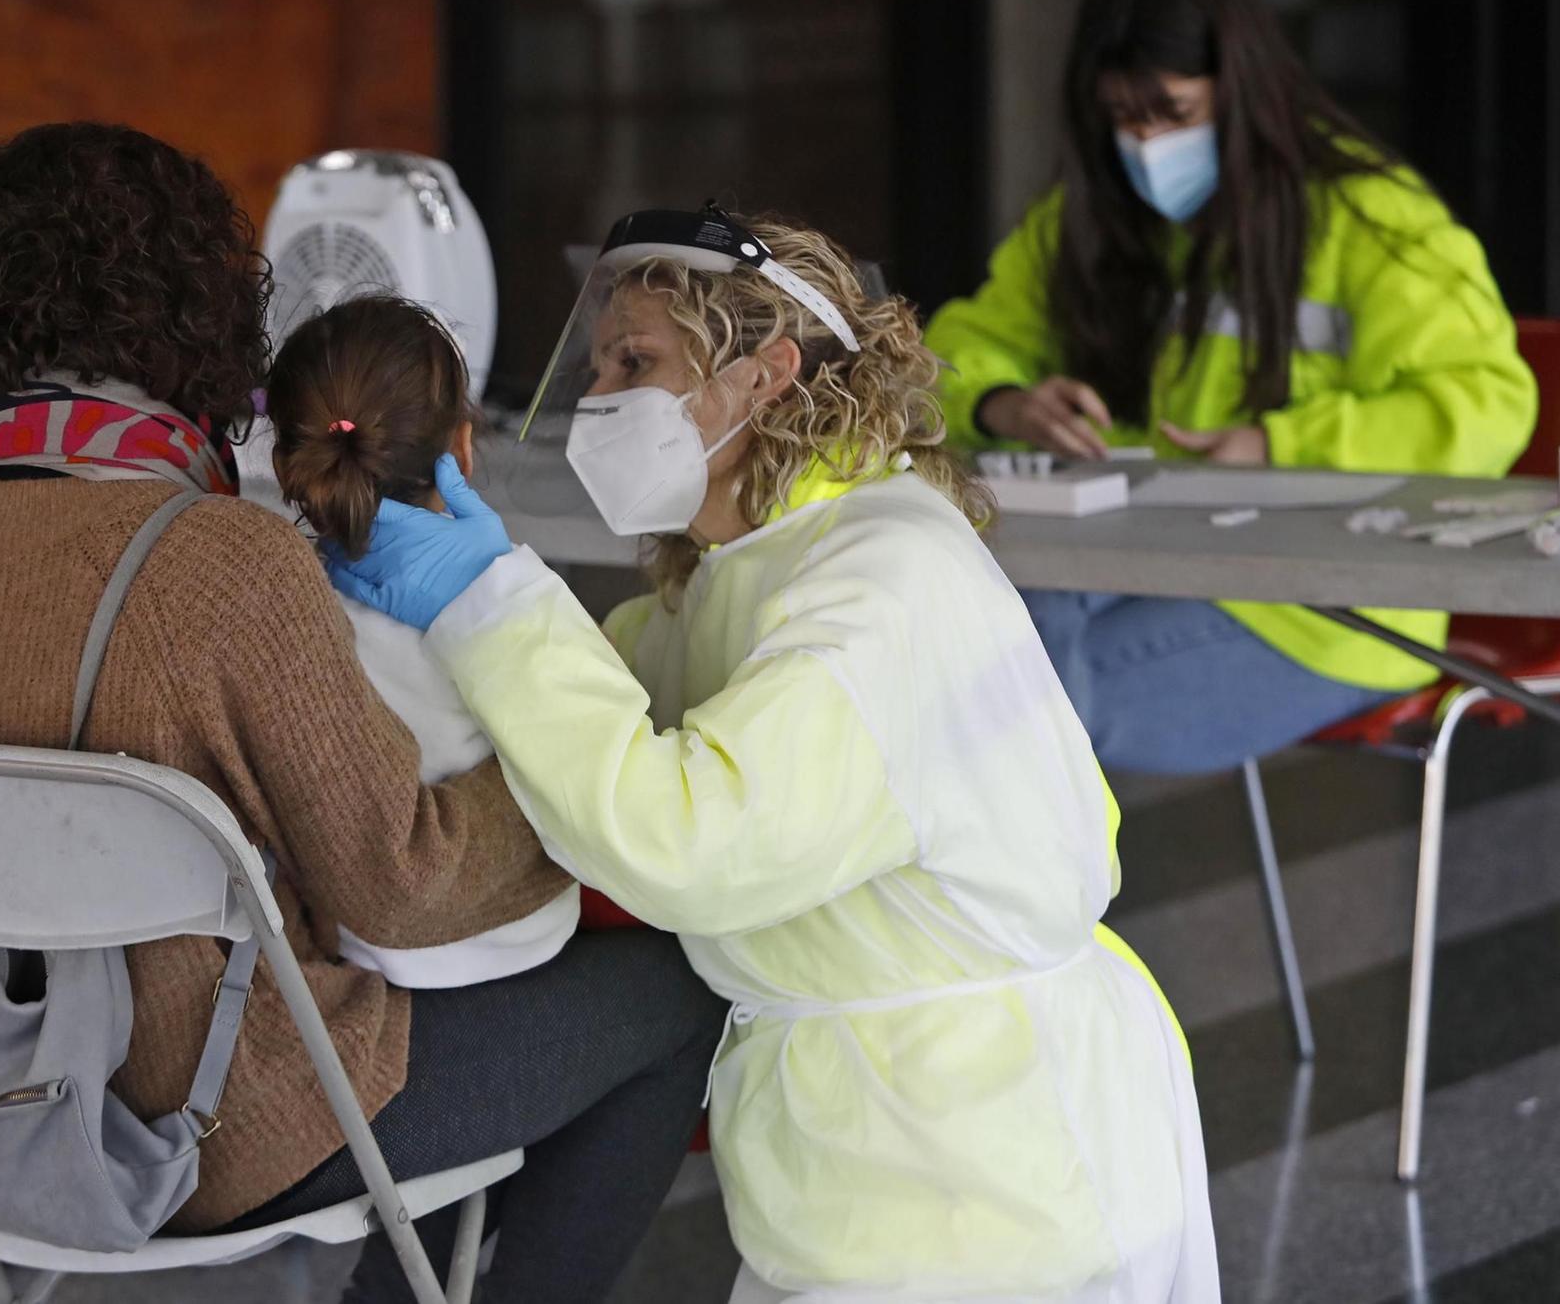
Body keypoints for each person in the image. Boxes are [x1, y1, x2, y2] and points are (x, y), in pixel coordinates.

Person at [0, 122, 723, 1302]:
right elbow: (407, 885)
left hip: (10, 1109)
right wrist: (553, 759)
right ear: (194, 308)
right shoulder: (224, 565)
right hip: (227, 1128)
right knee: (677, 994)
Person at [330, 204, 1217, 1301]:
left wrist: (489, 602)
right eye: (599, 362)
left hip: (987, 1170)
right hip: (875, 1159)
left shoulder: (876, 587)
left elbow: (682, 843)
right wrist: (433, 625)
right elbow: (592, 725)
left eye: (635, 361)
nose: (600, 396)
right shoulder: (742, 571)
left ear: (762, 374)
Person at [925, 0, 1537, 775]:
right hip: (1139, 555)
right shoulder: (1092, 219)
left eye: (1173, 114)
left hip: (1325, 603)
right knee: (955, 653)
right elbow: (953, 346)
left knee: (1020, 717)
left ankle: (1031, 891)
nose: (1146, 145)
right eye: (1122, 119)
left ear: (1242, 88)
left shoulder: (1370, 221)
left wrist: (1278, 442)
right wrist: (1004, 403)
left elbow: (1488, 401)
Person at [263, 295, 579, 986]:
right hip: (525, 949)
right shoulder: (506, 596)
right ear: (461, 447)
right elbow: (591, 763)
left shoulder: (283, 620)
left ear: (291, 464)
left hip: (360, 963)